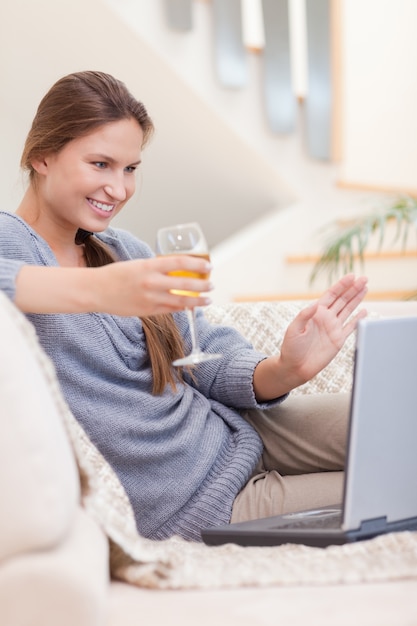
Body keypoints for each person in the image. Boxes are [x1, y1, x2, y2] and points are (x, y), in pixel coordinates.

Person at [0, 71, 368, 542]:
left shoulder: (122, 249)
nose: (119, 189)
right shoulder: (12, 241)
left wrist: (285, 370)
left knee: (400, 421)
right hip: (198, 500)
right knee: (398, 487)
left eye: (130, 169)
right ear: (42, 156)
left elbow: (200, 352)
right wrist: (97, 291)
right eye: (101, 164)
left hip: (240, 432)